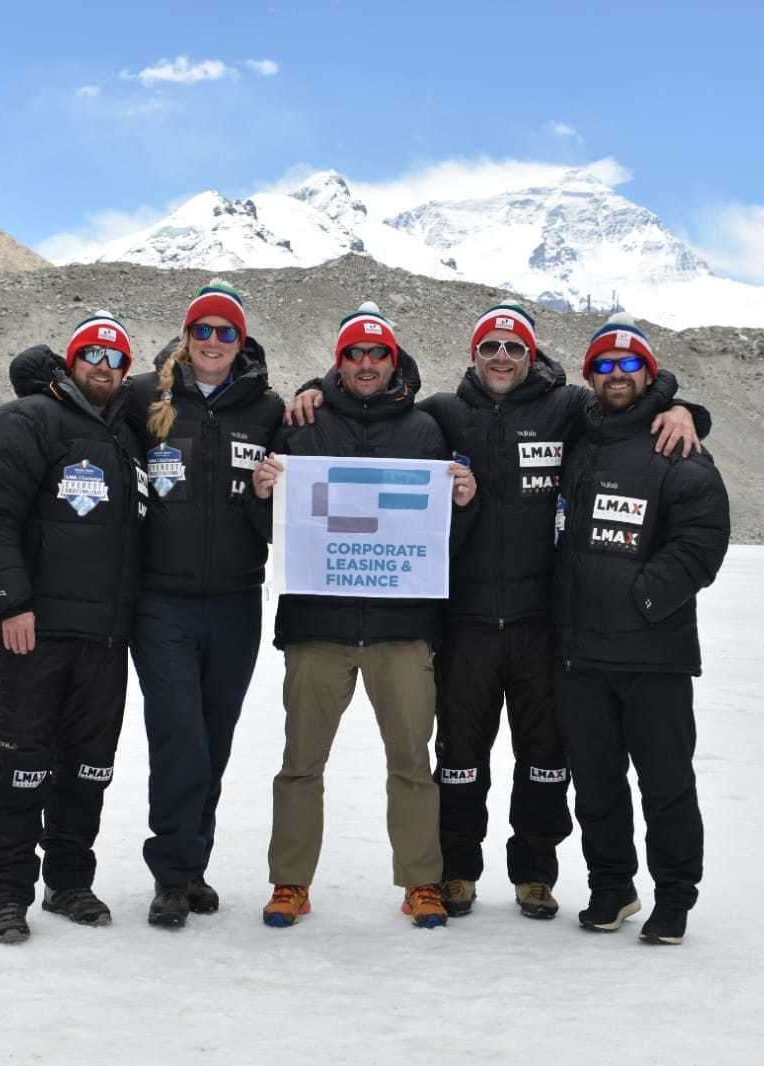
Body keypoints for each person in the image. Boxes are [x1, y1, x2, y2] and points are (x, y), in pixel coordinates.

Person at [285, 303, 708, 921]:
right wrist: (311, 392)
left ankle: (535, 873)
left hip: (544, 623)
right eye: (491, 347)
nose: (503, 357)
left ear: (533, 356)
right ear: (473, 355)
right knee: (460, 757)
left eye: (515, 348)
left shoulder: (566, 411)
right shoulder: (441, 416)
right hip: (466, 621)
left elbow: (627, 406)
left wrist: (681, 407)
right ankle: (456, 871)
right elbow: (370, 416)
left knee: (544, 759)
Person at [251, 302, 476, 929]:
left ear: (394, 360)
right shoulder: (301, 426)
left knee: (411, 762)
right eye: (355, 353)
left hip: (401, 630)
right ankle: (290, 880)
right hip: (317, 628)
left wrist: (461, 502)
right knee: (301, 762)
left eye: (378, 353)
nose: (367, 364)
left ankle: (422, 882)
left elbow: (439, 539)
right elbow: (270, 527)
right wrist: (264, 490)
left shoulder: (425, 430)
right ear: (339, 362)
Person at [0, 312, 148, 944]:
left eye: (115, 357)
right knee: (22, 766)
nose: (103, 364)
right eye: (91, 354)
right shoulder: (26, 420)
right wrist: (10, 602)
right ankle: (7, 894)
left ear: (126, 371)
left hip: (104, 638)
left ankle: (69, 881)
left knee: (90, 767)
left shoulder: (125, 434)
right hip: (36, 633)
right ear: (71, 363)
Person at [552, 312, 730, 945]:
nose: (617, 375)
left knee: (665, 784)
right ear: (589, 375)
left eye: (630, 365)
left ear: (649, 373)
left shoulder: (676, 444)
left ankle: (675, 896)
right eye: (604, 365)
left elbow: (702, 540)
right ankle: (612, 887)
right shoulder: (578, 434)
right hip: (580, 654)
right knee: (596, 783)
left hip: (653, 655)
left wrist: (642, 600)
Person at [121, 282, 286, 928]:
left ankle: (192, 867)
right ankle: (169, 873)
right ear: (186, 337)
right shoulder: (144, 397)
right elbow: (84, 416)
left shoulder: (267, 409)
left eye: (226, 333)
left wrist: (271, 488)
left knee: (213, 740)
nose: (213, 342)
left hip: (236, 601)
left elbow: (286, 497)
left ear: (240, 343)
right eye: (203, 330)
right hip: (160, 601)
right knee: (177, 737)